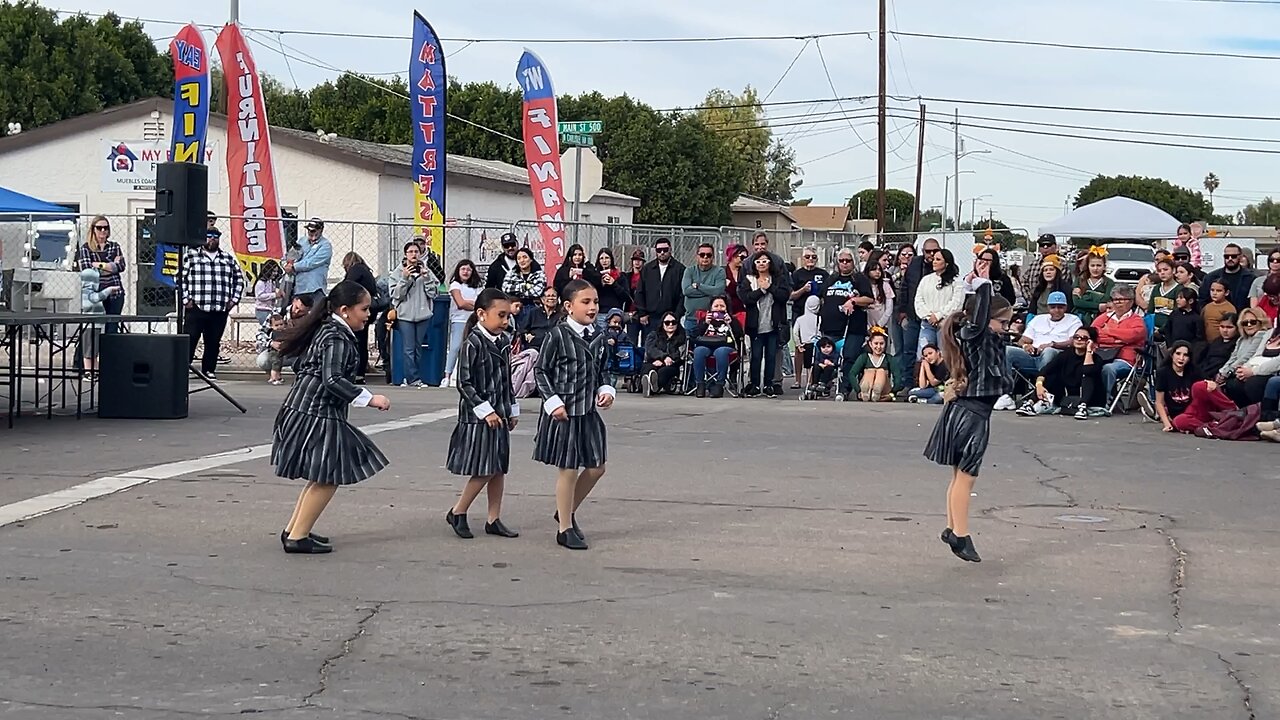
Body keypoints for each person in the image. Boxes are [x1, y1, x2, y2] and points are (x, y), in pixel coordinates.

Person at [272, 280, 391, 555]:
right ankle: (297, 536)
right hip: (316, 412)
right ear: (346, 310)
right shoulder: (336, 336)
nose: (368, 314)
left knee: (321, 474)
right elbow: (332, 379)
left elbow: (306, 367)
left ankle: (295, 529)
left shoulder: (329, 330)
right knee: (328, 475)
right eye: (365, 309)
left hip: (307, 409)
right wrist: (369, 398)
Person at [925, 276, 1013, 564]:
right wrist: (983, 285)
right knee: (967, 477)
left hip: (966, 411)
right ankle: (961, 535)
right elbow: (980, 313)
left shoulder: (981, 337)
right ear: (987, 320)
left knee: (958, 476)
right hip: (972, 415)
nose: (1006, 328)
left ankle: (952, 527)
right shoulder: (976, 335)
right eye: (1002, 323)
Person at [533, 279, 615, 551]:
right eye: (586, 302)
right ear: (568, 306)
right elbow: (541, 371)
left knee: (596, 467)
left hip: (588, 410)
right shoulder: (557, 335)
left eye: (595, 302)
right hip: (564, 412)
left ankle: (565, 509)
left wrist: (606, 389)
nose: (592, 308)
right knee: (568, 469)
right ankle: (564, 528)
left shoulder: (599, 336)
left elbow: (603, 368)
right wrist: (553, 402)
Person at [445, 288, 520, 540]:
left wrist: (512, 407)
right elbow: (464, 383)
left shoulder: (504, 343)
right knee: (485, 468)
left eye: (508, 316)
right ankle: (459, 511)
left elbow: (507, 379)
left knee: (499, 468)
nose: (505, 322)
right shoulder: (473, 343)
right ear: (481, 314)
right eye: (501, 315)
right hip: (478, 418)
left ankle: (493, 518)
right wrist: (485, 410)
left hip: (500, 413)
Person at [181, 227, 244, 380]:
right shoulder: (191, 256)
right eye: (208, 236)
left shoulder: (227, 259)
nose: (212, 239)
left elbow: (239, 279)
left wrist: (233, 300)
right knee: (190, 338)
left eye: (215, 236)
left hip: (219, 308)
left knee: (213, 341)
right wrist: (186, 299)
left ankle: (208, 369)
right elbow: (180, 278)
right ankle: (184, 368)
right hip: (197, 306)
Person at [1018, 326, 1105, 419]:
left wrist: (1089, 351)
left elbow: (1088, 371)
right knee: (1051, 375)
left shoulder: (1096, 359)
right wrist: (1039, 385)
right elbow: (1045, 371)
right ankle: (1030, 404)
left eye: (1084, 338)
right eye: (1076, 337)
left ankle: (1082, 407)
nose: (1079, 340)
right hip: (1065, 394)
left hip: (1090, 397)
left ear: (1090, 341)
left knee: (1087, 376)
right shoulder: (1065, 355)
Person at [739, 250, 791, 398]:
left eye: (765, 261)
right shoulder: (749, 279)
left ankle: (769, 385)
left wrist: (770, 288)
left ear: (770, 263)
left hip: (773, 325)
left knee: (771, 356)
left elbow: (783, 296)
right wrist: (761, 290)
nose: (762, 264)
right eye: (758, 261)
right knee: (755, 356)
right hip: (755, 326)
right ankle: (754, 384)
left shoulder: (778, 279)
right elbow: (746, 298)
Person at [391, 241, 439, 387]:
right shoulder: (397, 272)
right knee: (408, 348)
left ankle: (412, 376)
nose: (413, 254)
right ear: (405, 254)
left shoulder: (427, 271)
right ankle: (412, 379)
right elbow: (395, 294)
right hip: (405, 315)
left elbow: (434, 293)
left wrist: (427, 278)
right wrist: (405, 278)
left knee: (418, 348)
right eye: (410, 252)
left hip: (423, 314)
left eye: (416, 252)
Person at [76, 215, 126, 333]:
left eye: (105, 227)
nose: (103, 230)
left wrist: (98, 265)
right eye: (99, 228)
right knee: (93, 328)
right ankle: (89, 351)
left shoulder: (115, 246)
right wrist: (111, 266)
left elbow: (121, 266)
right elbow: (88, 271)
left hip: (115, 292)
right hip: (96, 293)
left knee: (112, 327)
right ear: (93, 229)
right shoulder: (86, 248)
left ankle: (109, 352)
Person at [914, 248, 965, 357]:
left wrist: (939, 316)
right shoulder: (925, 280)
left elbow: (957, 303)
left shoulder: (957, 281)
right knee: (924, 354)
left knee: (945, 355)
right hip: (927, 323)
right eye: (934, 259)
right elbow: (918, 300)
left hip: (946, 323)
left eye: (938, 259)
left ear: (946, 263)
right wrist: (929, 316)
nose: (934, 261)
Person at [690, 296, 743, 398]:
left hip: (725, 346)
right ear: (711, 308)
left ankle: (719, 385)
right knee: (699, 351)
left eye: (722, 306)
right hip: (706, 345)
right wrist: (705, 323)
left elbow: (740, 336)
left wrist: (730, 323)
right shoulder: (705, 319)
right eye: (716, 306)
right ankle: (700, 384)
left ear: (726, 308)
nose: (719, 308)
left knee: (721, 352)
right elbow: (694, 336)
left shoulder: (732, 320)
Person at [634, 238, 685, 342]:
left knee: (670, 348)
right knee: (649, 347)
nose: (662, 253)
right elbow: (639, 292)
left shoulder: (680, 269)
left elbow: (683, 295)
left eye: (665, 250)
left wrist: (677, 315)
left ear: (670, 250)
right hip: (650, 318)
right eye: (659, 250)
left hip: (671, 318)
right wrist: (642, 313)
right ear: (655, 251)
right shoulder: (647, 269)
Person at [444, 259, 483, 388]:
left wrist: (470, 303)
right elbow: (460, 303)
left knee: (472, 349)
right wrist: (473, 304)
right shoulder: (455, 285)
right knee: (455, 348)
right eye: (463, 269)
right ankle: (447, 376)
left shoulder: (477, 286)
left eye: (469, 269)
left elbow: (480, 304)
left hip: (474, 320)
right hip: (459, 320)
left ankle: (468, 377)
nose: (466, 272)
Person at [342, 252, 379, 384]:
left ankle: (356, 371)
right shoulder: (365, 271)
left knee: (357, 340)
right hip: (370, 309)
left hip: (361, 309)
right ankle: (360, 373)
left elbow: (347, 285)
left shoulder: (356, 270)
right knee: (362, 341)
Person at [682, 242, 728, 334]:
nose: (705, 257)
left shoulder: (719, 271)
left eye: (709, 255)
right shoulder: (689, 271)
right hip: (691, 318)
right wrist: (710, 290)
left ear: (713, 257)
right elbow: (686, 291)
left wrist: (699, 286)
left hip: (713, 318)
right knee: (690, 347)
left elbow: (718, 291)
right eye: (702, 255)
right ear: (697, 256)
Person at [847, 329, 904, 401]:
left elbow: (897, 376)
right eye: (876, 343)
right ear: (870, 344)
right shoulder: (864, 357)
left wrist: (892, 393)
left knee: (881, 371)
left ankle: (876, 391)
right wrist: (858, 390)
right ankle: (866, 392)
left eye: (881, 343)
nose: (879, 347)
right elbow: (852, 374)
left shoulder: (889, 358)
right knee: (870, 371)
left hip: (883, 391)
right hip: (866, 387)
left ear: (885, 344)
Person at [78, 268, 117, 372]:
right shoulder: (85, 292)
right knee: (88, 351)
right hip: (88, 326)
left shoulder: (91, 292)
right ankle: (88, 372)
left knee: (94, 351)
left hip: (97, 326)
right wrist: (108, 290)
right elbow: (95, 298)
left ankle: (95, 371)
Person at [1154, 341, 1197, 433]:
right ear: (1171, 355)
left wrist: (1211, 383)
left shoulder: (1193, 370)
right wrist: (1167, 424)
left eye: (1185, 355)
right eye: (1178, 354)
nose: (1181, 358)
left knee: (1201, 386)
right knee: (1180, 421)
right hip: (1177, 414)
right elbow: (1159, 402)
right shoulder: (1163, 372)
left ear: (1189, 358)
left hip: (1193, 411)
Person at [642, 311, 687, 397]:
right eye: (667, 322)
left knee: (664, 372)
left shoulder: (682, 337)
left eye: (673, 322)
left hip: (672, 364)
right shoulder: (653, 335)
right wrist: (662, 357)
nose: (670, 324)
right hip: (654, 361)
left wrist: (667, 360)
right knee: (648, 368)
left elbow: (680, 352)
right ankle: (648, 385)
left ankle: (653, 387)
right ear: (662, 324)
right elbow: (650, 349)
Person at [1199, 242, 1255, 311]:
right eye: (1227, 256)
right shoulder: (1211, 277)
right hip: (1217, 317)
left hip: (1241, 318)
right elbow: (1203, 300)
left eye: (1233, 256)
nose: (1230, 259)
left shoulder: (1250, 278)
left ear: (1240, 257)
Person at [289, 218, 334, 300]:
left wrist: (293, 266)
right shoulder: (301, 241)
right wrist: (286, 264)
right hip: (299, 288)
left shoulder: (326, 246)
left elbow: (311, 263)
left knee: (314, 311)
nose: (310, 232)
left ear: (320, 230)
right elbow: (290, 255)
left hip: (315, 289)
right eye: (309, 230)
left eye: (313, 231)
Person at [501, 248, 547, 323]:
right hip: (515, 307)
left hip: (533, 306)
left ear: (531, 259)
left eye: (525, 257)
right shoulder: (512, 273)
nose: (522, 260)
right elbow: (505, 288)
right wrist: (525, 287)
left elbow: (537, 292)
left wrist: (516, 291)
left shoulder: (539, 274)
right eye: (519, 258)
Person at [1072, 247, 1115, 325]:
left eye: (1099, 265)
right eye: (1092, 265)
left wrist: (1086, 296)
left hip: (1100, 319)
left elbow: (1107, 300)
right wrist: (1098, 306)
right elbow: (1077, 302)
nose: (1095, 269)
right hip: (1081, 318)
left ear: (1104, 267)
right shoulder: (1080, 280)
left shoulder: (1109, 283)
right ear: (1088, 266)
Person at [791, 295, 822, 390]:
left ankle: (798, 380)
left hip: (803, 344)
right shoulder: (819, 318)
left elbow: (795, 332)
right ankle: (810, 382)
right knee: (811, 365)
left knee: (798, 362)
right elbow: (821, 332)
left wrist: (798, 344)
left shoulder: (800, 319)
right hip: (814, 344)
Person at [595, 248, 631, 326]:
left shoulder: (620, 276)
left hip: (616, 313)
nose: (604, 261)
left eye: (607, 258)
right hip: (600, 313)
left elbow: (626, 297)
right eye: (601, 258)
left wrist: (614, 284)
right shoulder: (595, 276)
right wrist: (600, 284)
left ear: (611, 259)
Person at [1197, 313, 1238, 381]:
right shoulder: (1216, 341)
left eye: (1229, 327)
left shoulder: (1238, 343)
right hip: (1205, 372)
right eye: (1222, 326)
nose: (1225, 330)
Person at [519, 286, 562, 350]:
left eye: (553, 296)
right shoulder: (533, 312)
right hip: (534, 347)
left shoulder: (562, 315)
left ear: (558, 299)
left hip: (554, 347)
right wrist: (526, 335)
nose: (551, 298)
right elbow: (522, 329)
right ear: (542, 299)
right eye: (548, 296)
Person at [255, 312, 288, 385]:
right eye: (276, 325)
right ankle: (273, 377)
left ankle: (278, 377)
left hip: (289, 350)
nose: (279, 327)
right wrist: (271, 343)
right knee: (275, 363)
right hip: (274, 351)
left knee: (278, 364)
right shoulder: (273, 332)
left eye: (281, 324)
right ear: (271, 326)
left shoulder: (284, 331)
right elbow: (260, 333)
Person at [254, 260, 284, 325]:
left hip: (270, 310)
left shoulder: (271, 282)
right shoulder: (261, 282)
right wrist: (274, 295)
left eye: (276, 271)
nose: (275, 273)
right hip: (262, 310)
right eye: (273, 271)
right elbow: (259, 296)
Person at [723, 244, 749, 316]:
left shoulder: (746, 272)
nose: (744, 260)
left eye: (746, 258)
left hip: (743, 311)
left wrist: (731, 286)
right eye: (742, 257)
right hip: (727, 311)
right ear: (733, 256)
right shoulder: (722, 272)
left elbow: (745, 291)